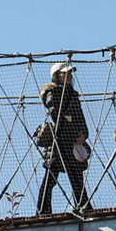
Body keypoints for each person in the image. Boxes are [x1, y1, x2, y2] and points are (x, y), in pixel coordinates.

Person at [37, 62, 91, 216]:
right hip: (59, 141)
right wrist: (73, 128)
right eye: (65, 73)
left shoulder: (73, 94)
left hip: (72, 141)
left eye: (70, 73)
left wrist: (83, 134)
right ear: (57, 76)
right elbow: (55, 113)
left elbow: (80, 117)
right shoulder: (52, 92)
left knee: (76, 176)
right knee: (51, 178)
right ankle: (43, 210)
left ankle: (83, 206)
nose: (69, 76)